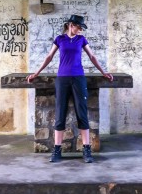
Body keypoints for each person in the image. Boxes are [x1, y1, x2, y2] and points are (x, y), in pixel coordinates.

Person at [27, 14, 113, 163]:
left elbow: (92, 56)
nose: (80, 30)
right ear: (70, 25)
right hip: (62, 80)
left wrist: (103, 72)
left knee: (82, 113)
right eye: (79, 27)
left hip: (78, 79)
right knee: (60, 113)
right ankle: (57, 150)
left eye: (81, 28)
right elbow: (49, 57)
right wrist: (36, 73)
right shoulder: (60, 39)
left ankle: (86, 150)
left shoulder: (81, 40)